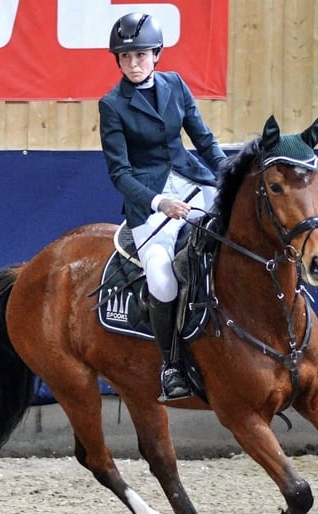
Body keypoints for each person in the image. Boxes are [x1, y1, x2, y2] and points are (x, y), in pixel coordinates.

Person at [99, 12, 226, 402]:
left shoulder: (176, 85)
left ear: (156, 54)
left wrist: (227, 172)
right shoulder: (112, 105)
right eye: (125, 57)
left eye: (140, 55)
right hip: (150, 202)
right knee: (162, 278)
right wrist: (159, 202)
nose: (133, 64)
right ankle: (172, 365)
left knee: (235, 242)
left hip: (193, 182)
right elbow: (120, 173)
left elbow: (203, 139)